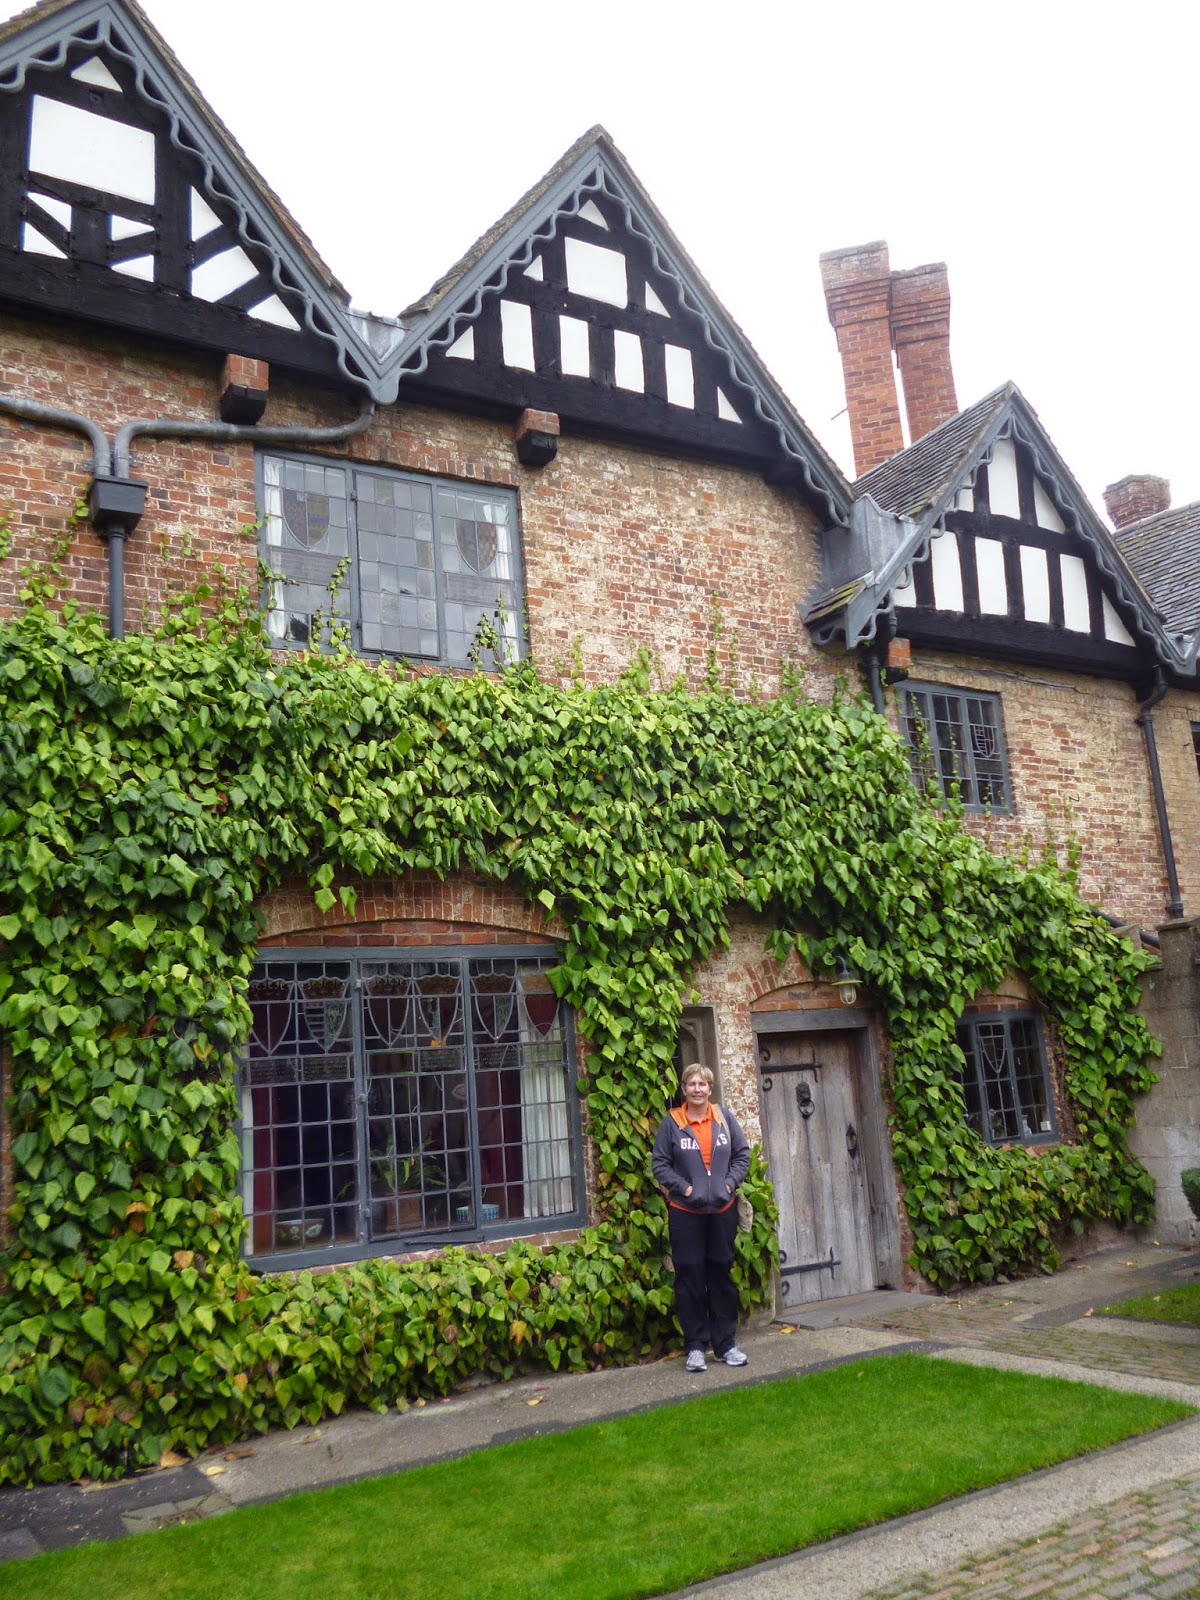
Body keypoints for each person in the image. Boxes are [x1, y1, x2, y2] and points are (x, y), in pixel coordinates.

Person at [651, 1063, 751, 1372]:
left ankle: (725, 1345)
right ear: (684, 1089)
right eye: (692, 1084)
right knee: (690, 1278)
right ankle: (695, 1347)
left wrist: (729, 1184)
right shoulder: (672, 1123)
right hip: (685, 1213)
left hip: (721, 1211)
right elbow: (660, 1165)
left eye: (702, 1084)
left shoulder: (724, 1119)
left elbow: (742, 1155)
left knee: (721, 1276)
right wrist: (685, 1188)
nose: (697, 1089)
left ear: (710, 1089)